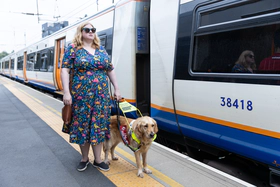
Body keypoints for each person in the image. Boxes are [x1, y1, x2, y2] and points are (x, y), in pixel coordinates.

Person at [61, 22, 121, 172]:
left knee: (99, 126)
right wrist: (66, 93)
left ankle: (98, 160)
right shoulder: (73, 49)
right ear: (80, 32)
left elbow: (110, 70)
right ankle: (84, 158)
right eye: (87, 29)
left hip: (101, 97)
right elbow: (64, 71)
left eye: (93, 29)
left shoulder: (101, 50)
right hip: (81, 97)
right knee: (83, 126)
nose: (90, 32)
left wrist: (117, 89)